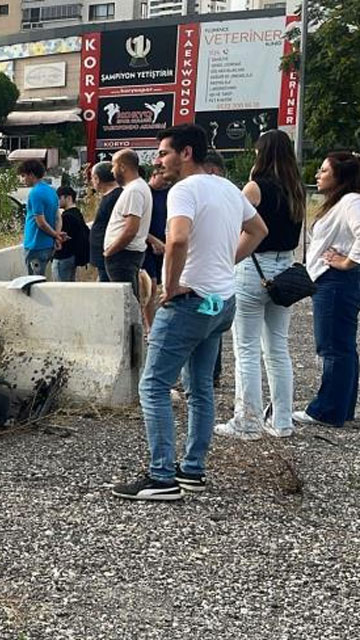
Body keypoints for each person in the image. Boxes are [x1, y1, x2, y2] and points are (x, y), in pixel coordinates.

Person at [113, 124, 267, 501]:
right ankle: (193, 470)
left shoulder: (184, 190)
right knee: (200, 388)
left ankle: (162, 477)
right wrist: (225, 260)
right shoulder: (228, 188)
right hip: (221, 301)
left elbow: (178, 238)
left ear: (185, 153)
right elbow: (258, 229)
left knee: (153, 385)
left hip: (189, 301)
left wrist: (172, 283)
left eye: (164, 152)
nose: (158, 160)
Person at [212, 130, 306, 440]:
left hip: (254, 268)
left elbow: (233, 223)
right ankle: (282, 421)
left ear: (261, 153)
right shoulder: (297, 189)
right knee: (278, 349)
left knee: (247, 348)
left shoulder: (255, 188)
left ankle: (247, 420)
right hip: (285, 270)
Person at [296, 151, 360, 429]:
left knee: (333, 346)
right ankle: (341, 408)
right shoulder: (341, 202)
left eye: (323, 170)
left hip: (336, 281)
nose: (317, 175)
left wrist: (347, 262)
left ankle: (327, 410)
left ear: (340, 177)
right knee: (342, 346)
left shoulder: (350, 200)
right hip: (332, 281)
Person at [103, 150, 152, 299]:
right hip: (126, 254)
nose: (112, 171)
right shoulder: (137, 187)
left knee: (125, 303)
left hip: (123, 256)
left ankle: (133, 323)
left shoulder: (134, 191)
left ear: (123, 167)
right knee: (129, 301)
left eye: (114, 166)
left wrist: (110, 251)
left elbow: (131, 229)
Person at [18, 159, 63, 277]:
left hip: (35, 244)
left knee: (33, 281)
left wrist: (55, 235)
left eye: (23, 176)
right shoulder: (51, 190)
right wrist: (57, 236)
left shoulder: (35, 193)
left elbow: (40, 222)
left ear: (31, 175)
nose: (22, 179)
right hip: (48, 244)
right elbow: (57, 217)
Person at [142, 172, 172, 328]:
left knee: (167, 283)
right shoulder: (145, 193)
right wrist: (153, 240)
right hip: (146, 245)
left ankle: (164, 321)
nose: (166, 181)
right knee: (150, 286)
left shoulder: (170, 193)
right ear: (153, 176)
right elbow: (138, 224)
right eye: (163, 177)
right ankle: (150, 327)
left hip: (166, 243)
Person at [86, 162, 121, 282]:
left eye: (92, 178)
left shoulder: (115, 196)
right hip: (102, 254)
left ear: (97, 178)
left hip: (109, 253)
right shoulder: (108, 196)